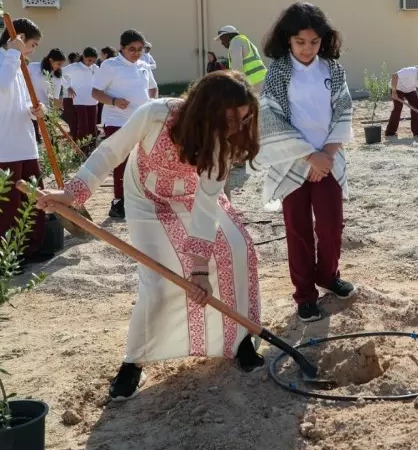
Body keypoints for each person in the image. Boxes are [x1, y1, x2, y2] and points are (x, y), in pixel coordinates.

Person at [36, 71, 264, 400]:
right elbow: (110, 152)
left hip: (193, 197)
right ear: (206, 109)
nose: (235, 127)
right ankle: (134, 362)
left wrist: (199, 268)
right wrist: (72, 194)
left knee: (238, 249)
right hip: (147, 200)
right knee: (158, 282)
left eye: (242, 119)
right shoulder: (155, 114)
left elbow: (206, 203)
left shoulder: (221, 142)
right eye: (230, 117)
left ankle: (240, 339)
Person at [258, 2, 356, 323]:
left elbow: (343, 111)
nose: (307, 48)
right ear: (287, 39)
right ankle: (304, 294)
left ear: (323, 40)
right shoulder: (277, 71)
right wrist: (308, 155)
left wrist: (325, 154)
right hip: (292, 163)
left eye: (314, 42)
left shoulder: (332, 69)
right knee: (297, 230)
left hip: (327, 160)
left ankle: (328, 275)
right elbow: (271, 117)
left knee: (330, 226)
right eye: (300, 42)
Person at [0, 18, 50, 266]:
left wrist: (35, 110)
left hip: (25, 139)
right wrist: (14, 52)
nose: (32, 50)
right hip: (6, 143)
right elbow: (0, 87)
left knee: (33, 197)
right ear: (19, 38)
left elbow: (19, 101)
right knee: (8, 202)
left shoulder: (18, 62)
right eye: (32, 44)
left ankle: (30, 248)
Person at [91, 30, 159, 219]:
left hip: (142, 120)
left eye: (140, 49)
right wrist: (113, 101)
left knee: (141, 160)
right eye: (132, 49)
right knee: (122, 160)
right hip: (116, 120)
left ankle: (138, 199)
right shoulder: (110, 65)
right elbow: (95, 92)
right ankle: (118, 201)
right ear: (122, 48)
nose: (136, 53)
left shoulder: (144, 65)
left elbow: (153, 88)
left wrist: (153, 102)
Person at [64, 47, 99, 153]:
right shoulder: (74, 67)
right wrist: (68, 86)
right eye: (89, 60)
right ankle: (81, 150)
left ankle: (92, 150)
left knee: (93, 128)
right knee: (83, 127)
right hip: (79, 101)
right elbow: (58, 74)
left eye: (93, 61)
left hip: (93, 100)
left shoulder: (95, 68)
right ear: (83, 56)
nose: (91, 63)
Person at [27, 48, 65, 145]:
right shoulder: (33, 67)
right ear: (51, 60)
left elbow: (54, 97)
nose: (60, 67)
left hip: (45, 108)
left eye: (61, 64)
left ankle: (54, 156)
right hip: (29, 106)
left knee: (51, 136)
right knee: (32, 136)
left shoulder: (57, 76)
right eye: (59, 64)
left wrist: (54, 113)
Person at [215, 25, 267, 92]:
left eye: (222, 39)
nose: (222, 43)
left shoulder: (235, 42)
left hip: (254, 83)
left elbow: (237, 68)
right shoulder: (244, 41)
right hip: (262, 80)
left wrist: (235, 86)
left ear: (228, 35)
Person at [385, 65, 418, 138]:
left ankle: (417, 132)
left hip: (410, 90)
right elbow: (394, 76)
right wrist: (394, 92)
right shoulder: (411, 71)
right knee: (398, 107)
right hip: (397, 87)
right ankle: (390, 132)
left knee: (416, 105)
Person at [96, 47, 116, 128]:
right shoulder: (115, 63)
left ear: (106, 54)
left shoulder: (106, 64)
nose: (100, 56)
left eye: (101, 54)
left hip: (106, 93)